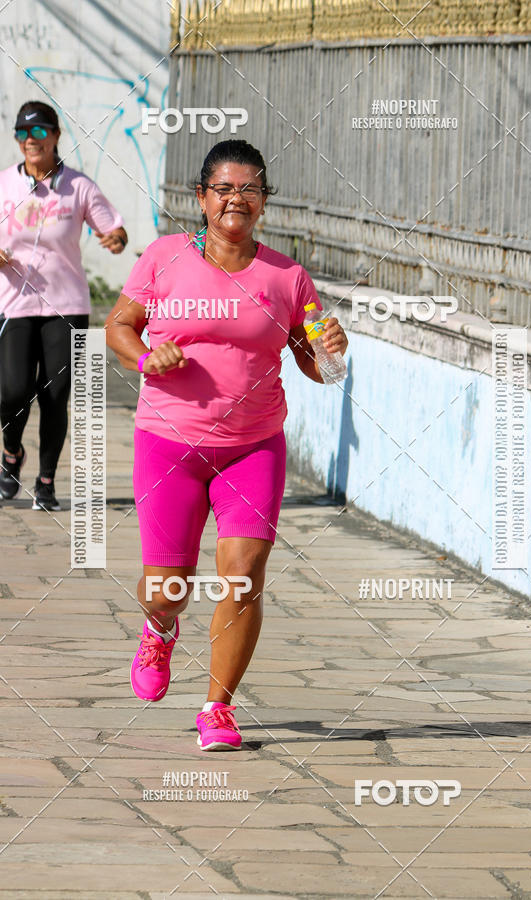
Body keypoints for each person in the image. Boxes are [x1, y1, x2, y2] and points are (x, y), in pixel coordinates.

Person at [105, 139, 348, 751]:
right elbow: (119, 326)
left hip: (252, 447)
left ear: (264, 201)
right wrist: (147, 358)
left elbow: (319, 368)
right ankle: (160, 631)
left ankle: (217, 708)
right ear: (201, 198)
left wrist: (331, 351)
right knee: (168, 590)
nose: (236, 199)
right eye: (224, 189)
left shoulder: (289, 278)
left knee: (242, 576)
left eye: (250, 189)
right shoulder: (163, 258)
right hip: (169, 443)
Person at [0, 100, 127, 510]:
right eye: (23, 133)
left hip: (66, 305)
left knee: (55, 395)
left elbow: (115, 229)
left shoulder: (79, 186)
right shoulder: (4, 185)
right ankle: (11, 453)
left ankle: (46, 482)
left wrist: (115, 240)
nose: (30, 141)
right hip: (14, 304)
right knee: (13, 391)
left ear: (55, 136)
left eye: (39, 132)